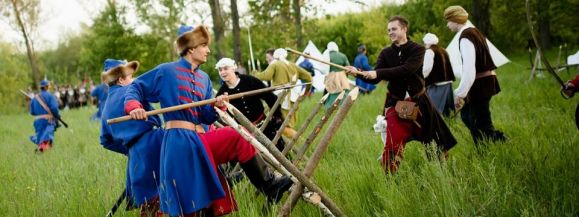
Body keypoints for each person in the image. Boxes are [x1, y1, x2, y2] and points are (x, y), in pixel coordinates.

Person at [124, 25, 292, 217]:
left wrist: (216, 107)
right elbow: (135, 87)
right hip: (179, 141)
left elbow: (204, 115)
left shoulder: (204, 78)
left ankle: (269, 185)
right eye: (204, 45)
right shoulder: (166, 71)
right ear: (191, 47)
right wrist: (134, 107)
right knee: (191, 204)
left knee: (238, 137)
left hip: (200, 138)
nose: (208, 50)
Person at [347, 16, 457, 173]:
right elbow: (375, 80)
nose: (390, 32)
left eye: (394, 29)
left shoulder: (418, 50)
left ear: (404, 29)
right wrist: (357, 73)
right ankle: (389, 179)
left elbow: (407, 69)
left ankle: (442, 175)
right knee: (392, 145)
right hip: (396, 104)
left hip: (420, 103)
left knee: (435, 143)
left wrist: (376, 72)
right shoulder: (385, 53)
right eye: (388, 30)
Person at [99, 59, 164, 216]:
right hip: (156, 143)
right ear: (121, 79)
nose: (133, 80)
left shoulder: (105, 108)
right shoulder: (132, 91)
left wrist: (130, 149)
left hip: (136, 155)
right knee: (172, 192)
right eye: (130, 76)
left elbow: (105, 141)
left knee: (150, 204)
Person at [444, 5, 507, 144]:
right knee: (467, 116)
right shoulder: (474, 32)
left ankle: (490, 147)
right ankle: (495, 139)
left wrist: (460, 93)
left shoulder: (466, 36)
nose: (447, 25)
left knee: (479, 121)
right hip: (482, 82)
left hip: (480, 84)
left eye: (448, 21)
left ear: (455, 20)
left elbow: (469, 69)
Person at [216, 57, 286, 151]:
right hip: (244, 134)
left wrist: (276, 116)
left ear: (233, 68)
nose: (222, 72)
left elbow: (270, 97)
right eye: (220, 70)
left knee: (280, 151)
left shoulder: (250, 80)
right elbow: (221, 115)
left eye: (225, 68)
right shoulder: (222, 92)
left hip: (264, 125)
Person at [252, 48, 312, 139]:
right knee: (285, 123)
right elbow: (308, 77)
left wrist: (255, 73)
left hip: (279, 98)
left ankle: (298, 141)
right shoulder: (292, 65)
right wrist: (306, 92)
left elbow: (266, 76)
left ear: (275, 56)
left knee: (278, 123)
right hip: (293, 98)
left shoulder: (275, 64)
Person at [422, 33, 456, 116]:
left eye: (425, 42)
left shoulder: (430, 51)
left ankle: (435, 126)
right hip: (447, 82)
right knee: (446, 109)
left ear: (427, 42)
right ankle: (448, 124)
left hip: (437, 83)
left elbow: (427, 69)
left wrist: (421, 77)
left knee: (432, 109)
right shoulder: (443, 50)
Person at [29, 79, 61, 152]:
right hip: (48, 121)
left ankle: (43, 151)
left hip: (38, 121)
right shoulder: (50, 96)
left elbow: (32, 112)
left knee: (41, 138)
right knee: (46, 139)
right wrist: (57, 115)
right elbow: (54, 108)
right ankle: (41, 150)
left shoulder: (35, 98)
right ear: (47, 87)